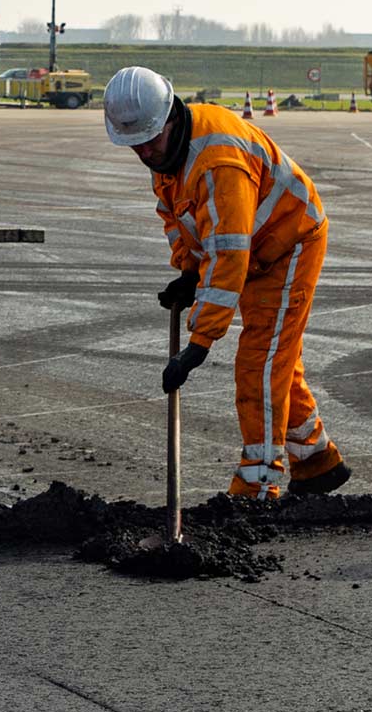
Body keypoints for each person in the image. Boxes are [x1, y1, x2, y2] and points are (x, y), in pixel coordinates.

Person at [103, 66, 349, 500]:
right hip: (256, 247)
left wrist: (199, 343)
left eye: (150, 141)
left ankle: (258, 484)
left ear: (170, 117)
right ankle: (315, 460)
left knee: (259, 362)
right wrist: (189, 272)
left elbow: (229, 252)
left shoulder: (218, 161)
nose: (144, 152)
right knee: (276, 359)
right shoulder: (167, 153)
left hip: (289, 240)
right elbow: (178, 216)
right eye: (135, 145)